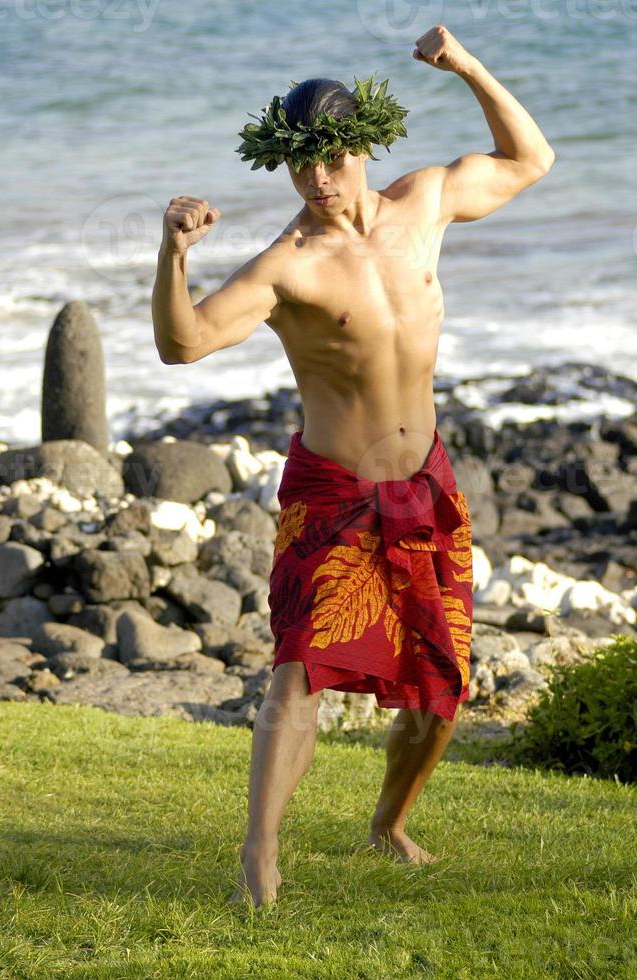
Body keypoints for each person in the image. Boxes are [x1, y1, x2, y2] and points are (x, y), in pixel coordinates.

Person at [151, 24, 555, 908]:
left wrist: (467, 67)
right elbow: (182, 346)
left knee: (442, 679)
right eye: (302, 166)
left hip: (428, 485)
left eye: (333, 158)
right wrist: (173, 256)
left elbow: (530, 159)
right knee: (299, 667)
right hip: (334, 494)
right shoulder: (287, 269)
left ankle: (388, 823)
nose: (321, 179)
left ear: (364, 146)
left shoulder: (426, 204)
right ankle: (260, 853)